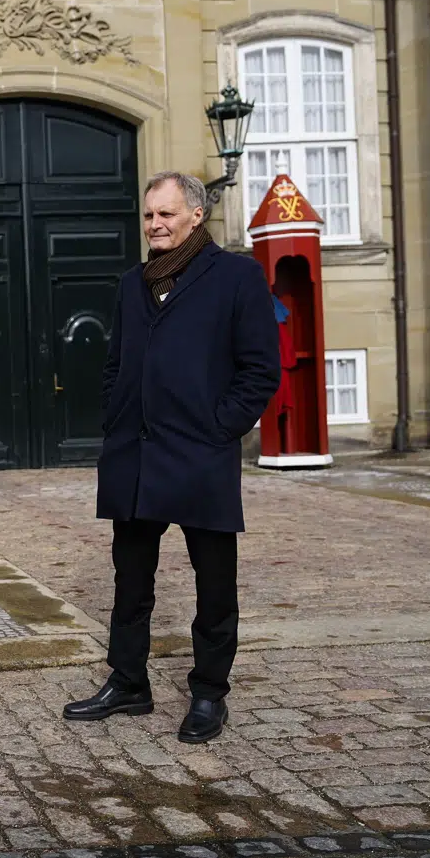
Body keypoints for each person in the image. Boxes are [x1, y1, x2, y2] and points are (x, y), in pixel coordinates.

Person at [64, 170, 280, 744]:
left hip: (200, 454)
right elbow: (116, 362)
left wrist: (220, 427)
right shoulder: (132, 283)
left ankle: (209, 692)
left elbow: (261, 369)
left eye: (166, 214)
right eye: (149, 216)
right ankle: (129, 681)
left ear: (196, 216)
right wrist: (113, 414)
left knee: (215, 582)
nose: (155, 225)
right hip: (134, 455)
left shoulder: (237, 276)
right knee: (130, 580)